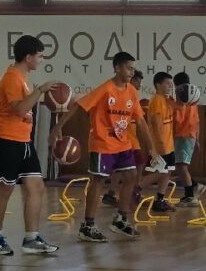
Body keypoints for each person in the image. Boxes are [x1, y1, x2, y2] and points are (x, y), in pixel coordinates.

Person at [53, 51, 161, 243]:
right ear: (117, 68)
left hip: (123, 144)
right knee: (98, 180)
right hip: (102, 143)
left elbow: (141, 122)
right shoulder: (105, 89)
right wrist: (58, 126)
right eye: (128, 68)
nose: (131, 72)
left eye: (133, 69)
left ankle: (120, 219)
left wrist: (151, 147)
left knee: (131, 176)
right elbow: (78, 106)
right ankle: (87, 226)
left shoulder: (131, 92)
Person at [0, 36, 59, 257]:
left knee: (36, 187)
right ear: (28, 57)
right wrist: (40, 90)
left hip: (23, 141)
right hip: (6, 141)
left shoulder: (21, 78)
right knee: (5, 188)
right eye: (39, 56)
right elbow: (19, 109)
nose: (41, 60)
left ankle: (31, 238)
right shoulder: (11, 77)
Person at [104, 69, 144, 208]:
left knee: (122, 168)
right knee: (138, 164)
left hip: (129, 140)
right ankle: (133, 192)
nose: (140, 84)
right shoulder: (123, 93)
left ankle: (112, 193)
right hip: (127, 141)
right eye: (138, 81)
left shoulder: (132, 94)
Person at [139, 71, 177, 213]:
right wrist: (159, 144)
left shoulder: (167, 100)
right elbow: (155, 124)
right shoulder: (156, 101)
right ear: (158, 84)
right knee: (161, 172)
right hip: (161, 145)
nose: (170, 86)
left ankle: (159, 200)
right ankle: (135, 190)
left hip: (169, 144)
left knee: (168, 172)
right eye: (167, 83)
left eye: (171, 84)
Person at [172, 71, 206, 207]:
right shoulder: (193, 101)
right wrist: (197, 139)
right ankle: (195, 186)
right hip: (189, 136)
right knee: (180, 165)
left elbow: (179, 119)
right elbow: (197, 122)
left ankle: (190, 196)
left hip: (184, 136)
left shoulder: (182, 100)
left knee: (181, 166)